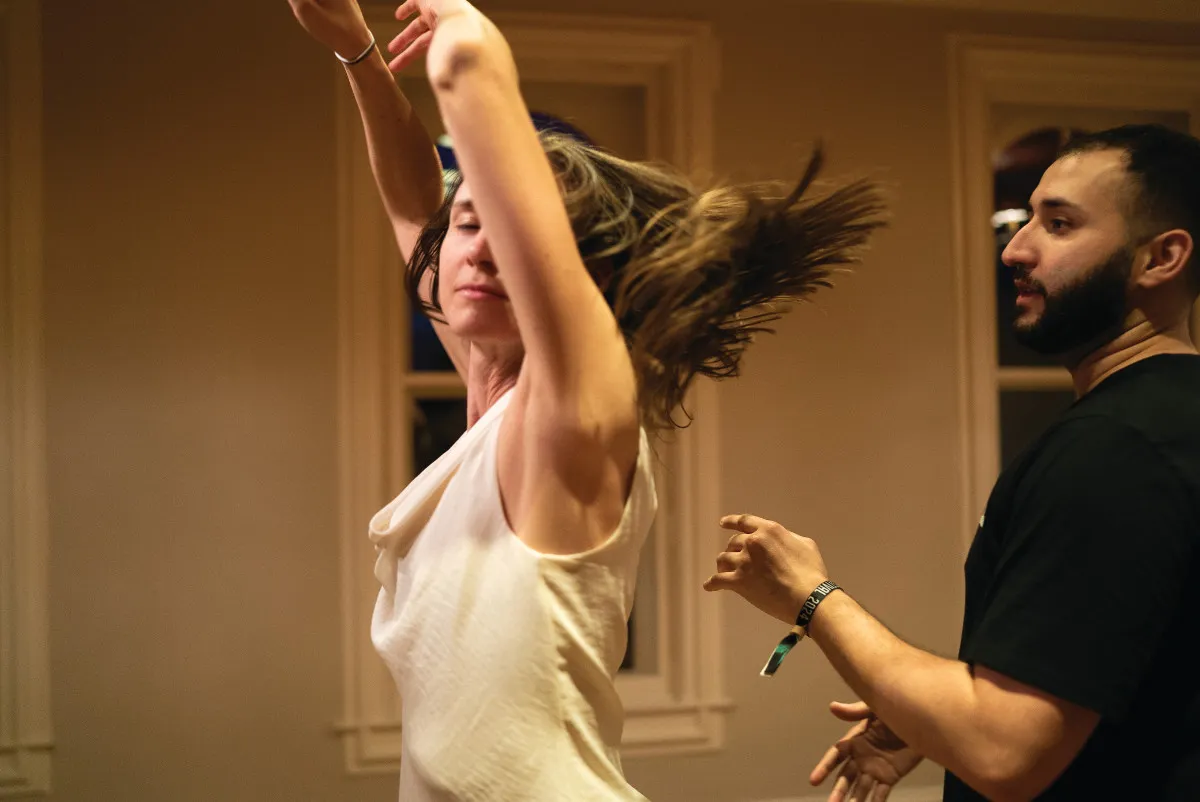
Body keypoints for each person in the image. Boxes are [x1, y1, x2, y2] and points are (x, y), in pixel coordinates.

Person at [287, 0, 886, 799]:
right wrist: (358, 51)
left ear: (582, 281)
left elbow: (468, 71)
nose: (479, 251)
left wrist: (463, 22)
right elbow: (411, 197)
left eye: (510, 231)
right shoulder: (491, 381)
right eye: (465, 224)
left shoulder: (577, 409)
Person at [705, 123, 1200, 802]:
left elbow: (1003, 750)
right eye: (1026, 219)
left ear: (1161, 258)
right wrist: (933, 718)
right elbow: (1138, 668)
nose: (1016, 249)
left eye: (1058, 224)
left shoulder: (1113, 448)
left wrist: (812, 600)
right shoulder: (1170, 425)